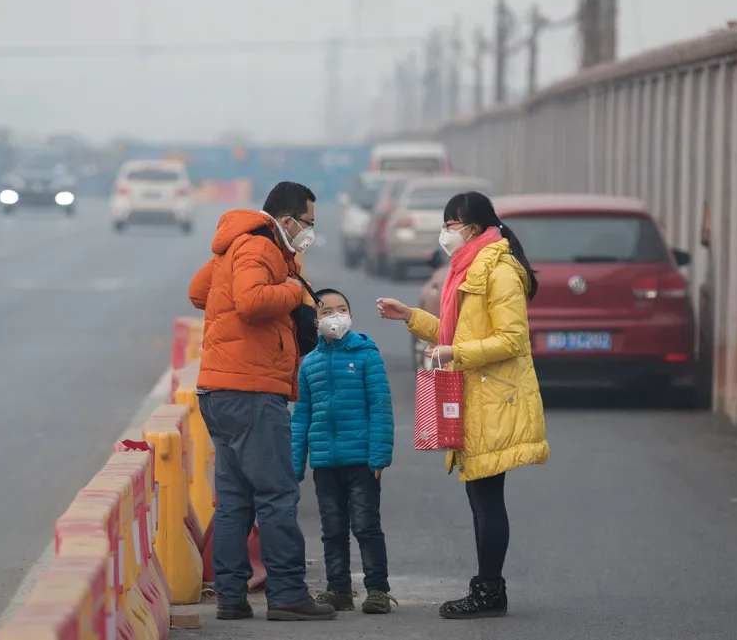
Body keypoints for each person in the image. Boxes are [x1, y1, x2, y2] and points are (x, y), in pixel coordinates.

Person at [376, 191, 549, 620]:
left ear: (473, 227)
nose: (446, 232)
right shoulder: (468, 267)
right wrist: (411, 317)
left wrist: (456, 355)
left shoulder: (499, 271)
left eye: (452, 224)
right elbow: (458, 333)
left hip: (494, 396)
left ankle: (490, 591)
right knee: (479, 495)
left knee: (487, 496)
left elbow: (512, 340)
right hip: (475, 392)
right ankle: (488, 588)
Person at [188, 181, 337, 622]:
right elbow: (252, 302)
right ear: (287, 219)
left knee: (235, 500)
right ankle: (288, 592)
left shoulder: (233, 244)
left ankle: (232, 597)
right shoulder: (262, 247)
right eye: (307, 223)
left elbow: (200, 293)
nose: (308, 232)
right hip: (251, 390)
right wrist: (293, 290)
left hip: (219, 389)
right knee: (276, 494)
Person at [291, 288, 396, 615]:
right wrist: (296, 462)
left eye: (341, 309)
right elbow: (301, 416)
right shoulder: (309, 365)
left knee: (366, 525)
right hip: (325, 462)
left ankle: (377, 590)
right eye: (325, 311)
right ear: (315, 320)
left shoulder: (367, 355)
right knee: (332, 528)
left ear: (350, 314)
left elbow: (381, 407)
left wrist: (379, 455)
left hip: (362, 461)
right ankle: (338, 589)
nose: (334, 316)